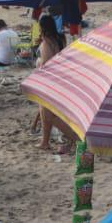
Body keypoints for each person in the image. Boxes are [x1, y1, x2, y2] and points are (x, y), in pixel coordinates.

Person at [35, 16, 76, 152]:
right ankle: (44, 142)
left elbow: (47, 64)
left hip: (49, 81)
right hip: (61, 79)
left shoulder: (46, 43)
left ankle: (78, 140)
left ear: (42, 27)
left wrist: (39, 62)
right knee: (44, 111)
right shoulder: (60, 38)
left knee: (49, 116)